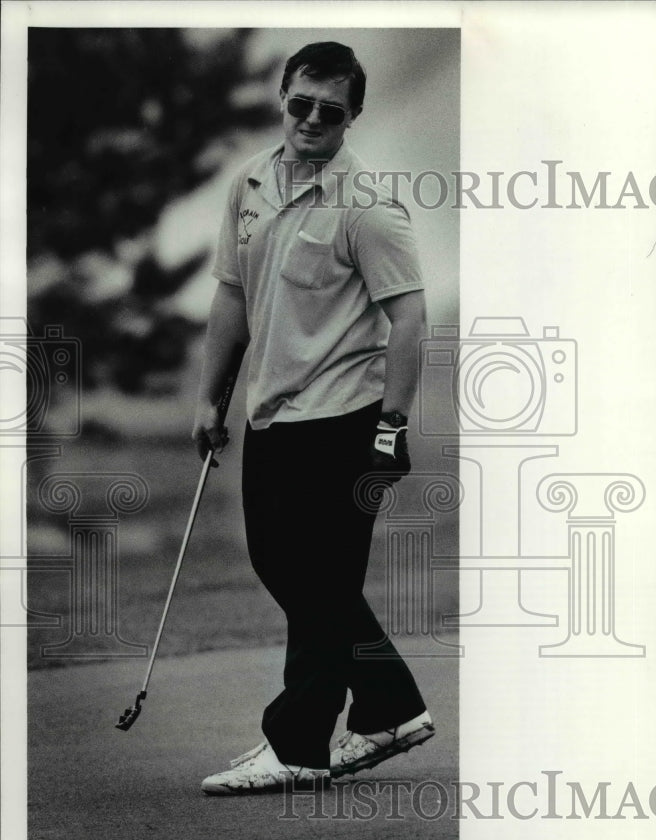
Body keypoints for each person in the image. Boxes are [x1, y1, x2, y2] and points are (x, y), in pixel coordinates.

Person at [193, 41, 434, 794]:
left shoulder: (366, 208)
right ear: (283, 97)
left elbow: (411, 319)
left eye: (330, 112)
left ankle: (298, 743)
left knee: (317, 578)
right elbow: (233, 296)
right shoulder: (251, 184)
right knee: (289, 570)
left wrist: (390, 426)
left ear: (352, 118)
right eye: (301, 103)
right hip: (271, 415)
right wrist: (210, 394)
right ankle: (389, 705)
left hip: (342, 417)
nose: (311, 120)